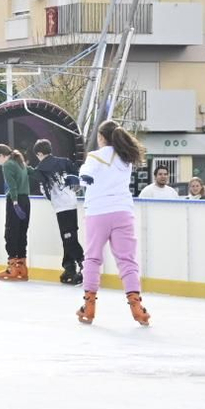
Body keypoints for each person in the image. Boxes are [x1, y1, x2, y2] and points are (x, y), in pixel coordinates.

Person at [77, 120, 151, 326]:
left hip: (98, 213)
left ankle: (89, 305)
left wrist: (80, 179)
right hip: (123, 212)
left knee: (92, 258)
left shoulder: (94, 156)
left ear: (101, 137)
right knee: (127, 260)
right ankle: (137, 306)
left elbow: (84, 177)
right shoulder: (126, 158)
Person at [31, 140, 84, 285]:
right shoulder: (65, 162)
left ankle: (84, 264)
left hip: (61, 206)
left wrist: (53, 197)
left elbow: (45, 192)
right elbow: (78, 179)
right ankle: (69, 267)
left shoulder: (40, 168)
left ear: (39, 154)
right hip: (72, 203)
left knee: (68, 237)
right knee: (70, 234)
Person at [0, 144, 30, 282]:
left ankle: (12, 267)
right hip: (26, 200)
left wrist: (14, 202)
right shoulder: (20, 162)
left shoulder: (7, 165)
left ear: (2, 156)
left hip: (16, 200)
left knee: (10, 232)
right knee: (21, 233)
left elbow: (12, 185)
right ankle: (22, 267)